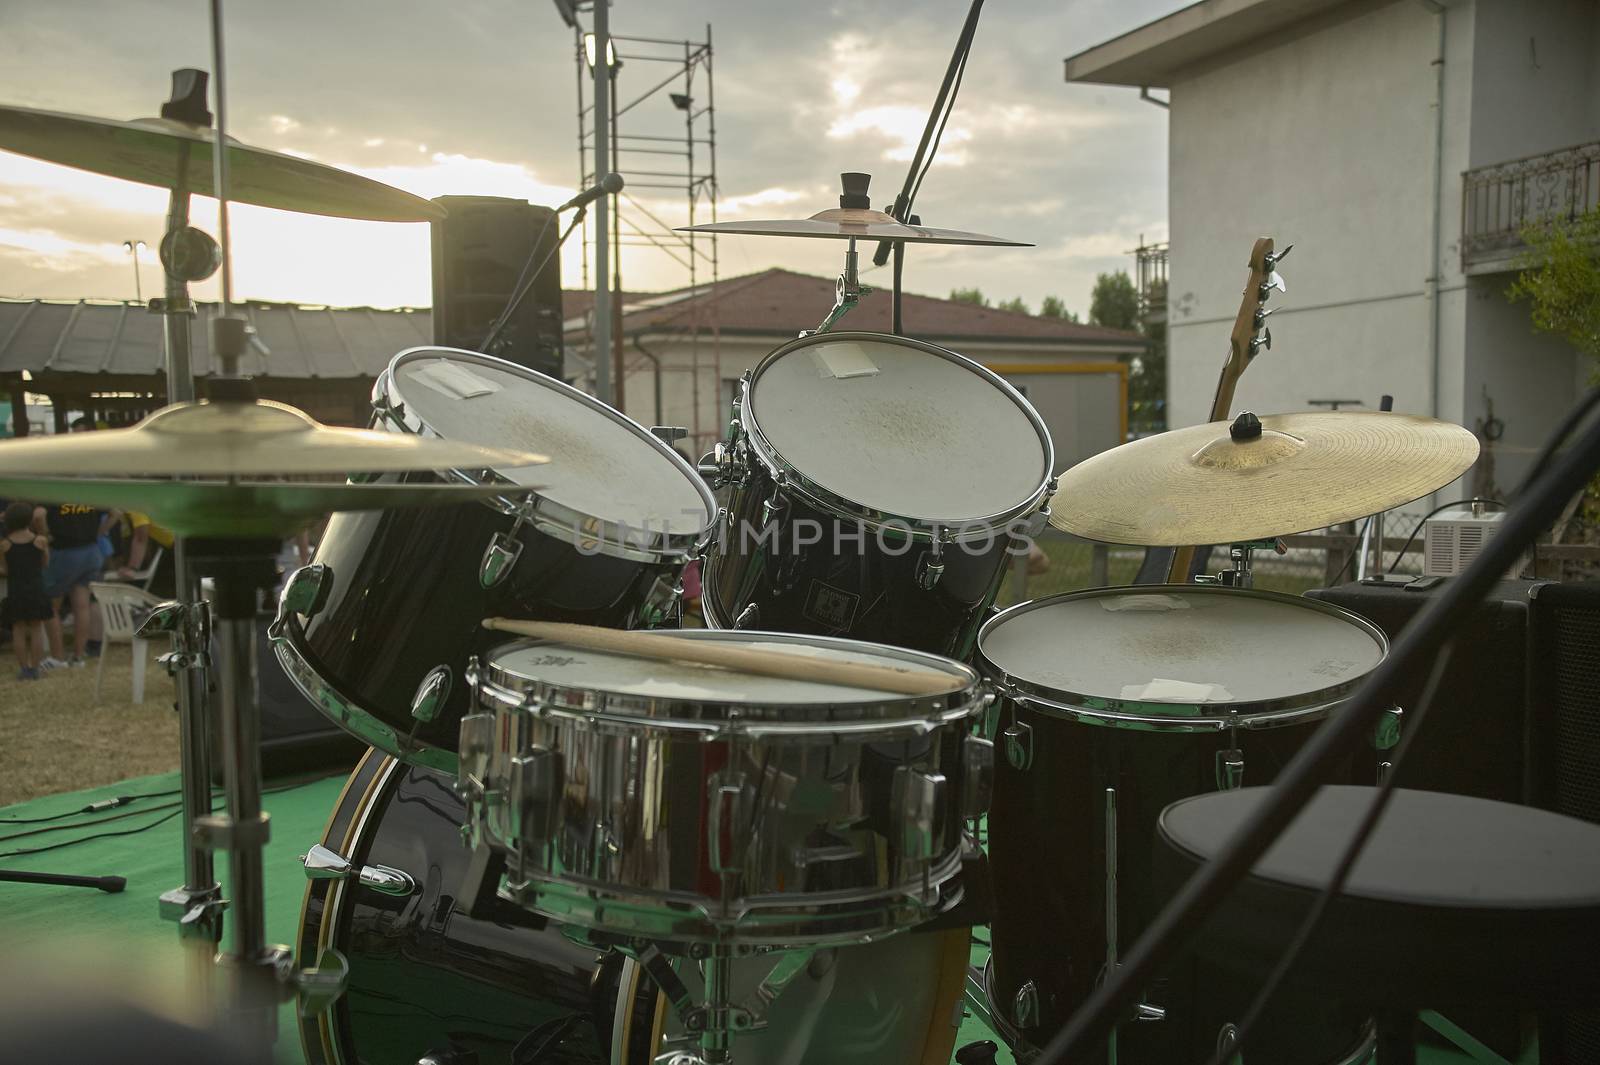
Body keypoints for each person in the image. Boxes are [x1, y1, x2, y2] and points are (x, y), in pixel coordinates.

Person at [42, 499, 112, 667]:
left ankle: (57, 658)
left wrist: (45, 535)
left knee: (50, 607)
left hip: (64, 552)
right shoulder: (85, 488)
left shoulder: (51, 490)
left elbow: (38, 514)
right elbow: (116, 512)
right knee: (82, 606)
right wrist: (99, 533)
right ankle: (78, 656)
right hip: (92, 551)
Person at [1, 501, 52, 680]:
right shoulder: (40, 541)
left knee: (18, 629)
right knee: (37, 627)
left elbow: (5, 570)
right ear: (29, 519)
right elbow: (45, 563)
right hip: (36, 587)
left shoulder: (4, 544)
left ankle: (24, 669)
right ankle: (36, 668)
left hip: (16, 589)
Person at [122, 511, 176, 598]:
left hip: (178, 545)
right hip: (169, 545)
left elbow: (140, 538)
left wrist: (132, 568)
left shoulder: (135, 506)